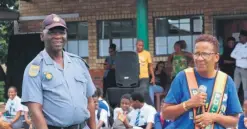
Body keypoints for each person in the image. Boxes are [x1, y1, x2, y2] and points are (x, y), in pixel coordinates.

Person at [21, 14, 96, 129]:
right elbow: (34, 111)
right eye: (52, 32)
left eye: (61, 32)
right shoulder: (35, 68)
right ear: (42, 36)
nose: (58, 36)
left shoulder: (78, 63)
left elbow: (90, 101)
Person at [163, 34, 242, 129]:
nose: (199, 58)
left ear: (216, 57)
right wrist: (188, 104)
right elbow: (165, 114)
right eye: (196, 54)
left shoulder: (226, 81)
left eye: (205, 54)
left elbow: (234, 121)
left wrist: (214, 117)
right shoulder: (183, 77)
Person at [136, 40, 155, 105]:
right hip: (135, 78)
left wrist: (153, 77)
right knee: (137, 93)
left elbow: (150, 66)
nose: (141, 47)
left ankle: (151, 106)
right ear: (136, 45)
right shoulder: (134, 54)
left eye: (142, 45)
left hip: (145, 77)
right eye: (139, 45)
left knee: (143, 91)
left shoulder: (147, 53)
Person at [231, 29, 247, 100]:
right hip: (237, 69)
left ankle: (245, 104)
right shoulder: (238, 45)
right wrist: (242, 57)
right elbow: (232, 55)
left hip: (245, 69)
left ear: (245, 37)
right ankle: (235, 102)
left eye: (240, 37)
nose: (239, 38)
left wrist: (239, 55)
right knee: (235, 86)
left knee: (245, 88)